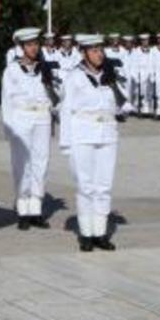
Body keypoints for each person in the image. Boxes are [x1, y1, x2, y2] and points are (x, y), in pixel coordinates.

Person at [58, 34, 127, 252]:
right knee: (86, 186)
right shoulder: (74, 77)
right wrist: (66, 144)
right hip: (83, 135)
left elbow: (124, 107)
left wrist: (115, 86)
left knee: (104, 186)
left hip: (107, 134)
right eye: (94, 50)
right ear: (84, 53)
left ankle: (100, 232)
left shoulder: (108, 75)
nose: (99, 54)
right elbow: (66, 111)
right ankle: (86, 234)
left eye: (101, 50)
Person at [1, 27, 58, 229]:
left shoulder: (44, 68)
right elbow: (7, 101)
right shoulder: (12, 70)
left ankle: (36, 208)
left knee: (40, 163)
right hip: (21, 119)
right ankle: (23, 207)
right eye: (29, 45)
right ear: (22, 47)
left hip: (42, 118)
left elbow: (55, 96)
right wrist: (9, 129)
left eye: (36, 44)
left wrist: (54, 114)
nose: (34, 48)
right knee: (21, 164)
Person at [131, 34, 153, 116]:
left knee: (149, 92)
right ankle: (138, 109)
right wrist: (136, 77)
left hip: (149, 74)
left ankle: (147, 109)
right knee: (139, 93)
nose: (145, 42)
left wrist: (152, 75)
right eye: (143, 40)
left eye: (146, 40)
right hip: (140, 74)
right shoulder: (136, 51)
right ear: (141, 41)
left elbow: (153, 63)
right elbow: (133, 66)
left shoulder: (152, 51)